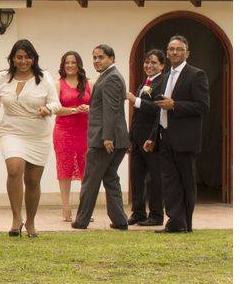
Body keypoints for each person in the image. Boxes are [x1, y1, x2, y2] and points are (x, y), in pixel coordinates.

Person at [0, 39, 60, 238]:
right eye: (19, 57)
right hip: (12, 129)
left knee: (32, 180)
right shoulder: (2, 78)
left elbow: (56, 103)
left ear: (34, 58)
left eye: (27, 57)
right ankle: (15, 218)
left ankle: (30, 221)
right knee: (14, 169)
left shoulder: (44, 77)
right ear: (12, 59)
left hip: (38, 133)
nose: (23, 61)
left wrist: (47, 108)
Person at [145, 36, 209, 234]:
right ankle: (174, 222)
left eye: (179, 49)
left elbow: (202, 106)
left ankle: (186, 224)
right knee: (170, 182)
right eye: (171, 49)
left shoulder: (196, 75)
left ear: (187, 53)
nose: (174, 52)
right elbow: (160, 111)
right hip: (165, 139)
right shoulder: (164, 77)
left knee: (186, 182)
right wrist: (152, 137)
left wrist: (176, 105)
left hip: (185, 140)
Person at [71, 45, 130, 230]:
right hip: (113, 138)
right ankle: (120, 221)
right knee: (110, 178)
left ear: (112, 58)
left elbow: (111, 111)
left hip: (105, 140)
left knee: (90, 180)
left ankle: (81, 220)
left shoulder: (111, 78)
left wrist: (107, 138)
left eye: (101, 57)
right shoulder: (108, 76)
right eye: (94, 57)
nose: (97, 61)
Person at [125, 49, 165, 226]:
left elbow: (157, 109)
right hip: (137, 139)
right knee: (137, 176)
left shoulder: (163, 82)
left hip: (152, 139)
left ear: (162, 65)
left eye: (154, 62)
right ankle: (138, 212)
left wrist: (135, 100)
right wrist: (130, 138)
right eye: (147, 62)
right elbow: (138, 115)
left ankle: (156, 215)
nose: (149, 65)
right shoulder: (145, 83)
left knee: (155, 178)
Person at [52, 52, 92, 222]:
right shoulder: (57, 85)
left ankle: (85, 209)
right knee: (65, 170)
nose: (70, 65)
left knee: (86, 170)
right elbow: (55, 108)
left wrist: (89, 109)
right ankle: (66, 208)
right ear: (63, 65)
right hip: (64, 132)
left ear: (79, 64)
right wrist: (75, 110)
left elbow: (96, 105)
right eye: (67, 62)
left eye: (73, 62)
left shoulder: (90, 84)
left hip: (85, 131)